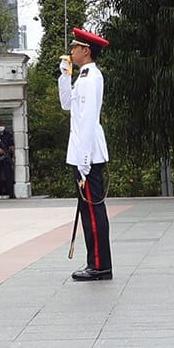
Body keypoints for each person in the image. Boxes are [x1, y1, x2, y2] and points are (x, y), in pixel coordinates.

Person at [60, 27, 114, 280]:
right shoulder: (82, 76)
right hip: (82, 153)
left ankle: (100, 265)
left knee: (93, 210)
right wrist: (64, 76)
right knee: (87, 210)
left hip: (88, 154)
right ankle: (95, 261)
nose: (71, 51)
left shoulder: (92, 78)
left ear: (86, 50)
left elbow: (89, 119)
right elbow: (67, 105)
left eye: (75, 47)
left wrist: (84, 160)